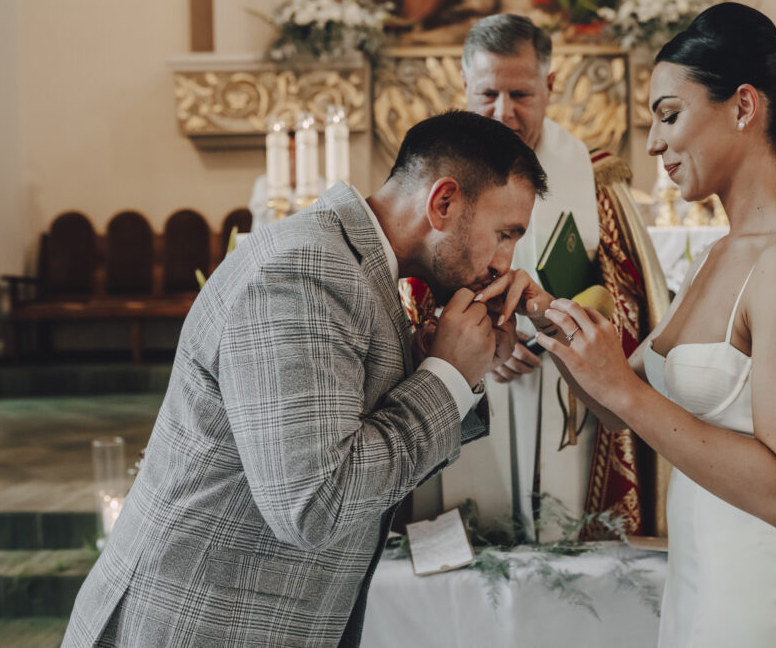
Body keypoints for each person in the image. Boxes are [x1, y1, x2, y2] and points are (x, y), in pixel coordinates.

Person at [61, 111, 547, 648]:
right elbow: (316, 505)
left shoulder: (353, 267)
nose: (506, 262)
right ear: (444, 202)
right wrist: (446, 377)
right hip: (199, 623)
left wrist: (440, 363)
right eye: (505, 234)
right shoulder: (304, 271)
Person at [477, 2, 776, 646]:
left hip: (768, 590)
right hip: (705, 575)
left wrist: (622, 389)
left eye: (669, 116)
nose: (652, 143)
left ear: (742, 106)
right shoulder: (717, 255)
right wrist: (537, 309)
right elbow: (624, 404)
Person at [445, 13, 599, 540]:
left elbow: (603, 275)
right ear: (464, 84)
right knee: (477, 521)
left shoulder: (580, 163)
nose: (502, 113)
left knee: (556, 519)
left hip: (556, 370)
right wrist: (490, 344)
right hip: (468, 366)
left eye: (521, 94)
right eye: (487, 93)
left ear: (550, 85)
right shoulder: (434, 160)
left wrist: (543, 332)